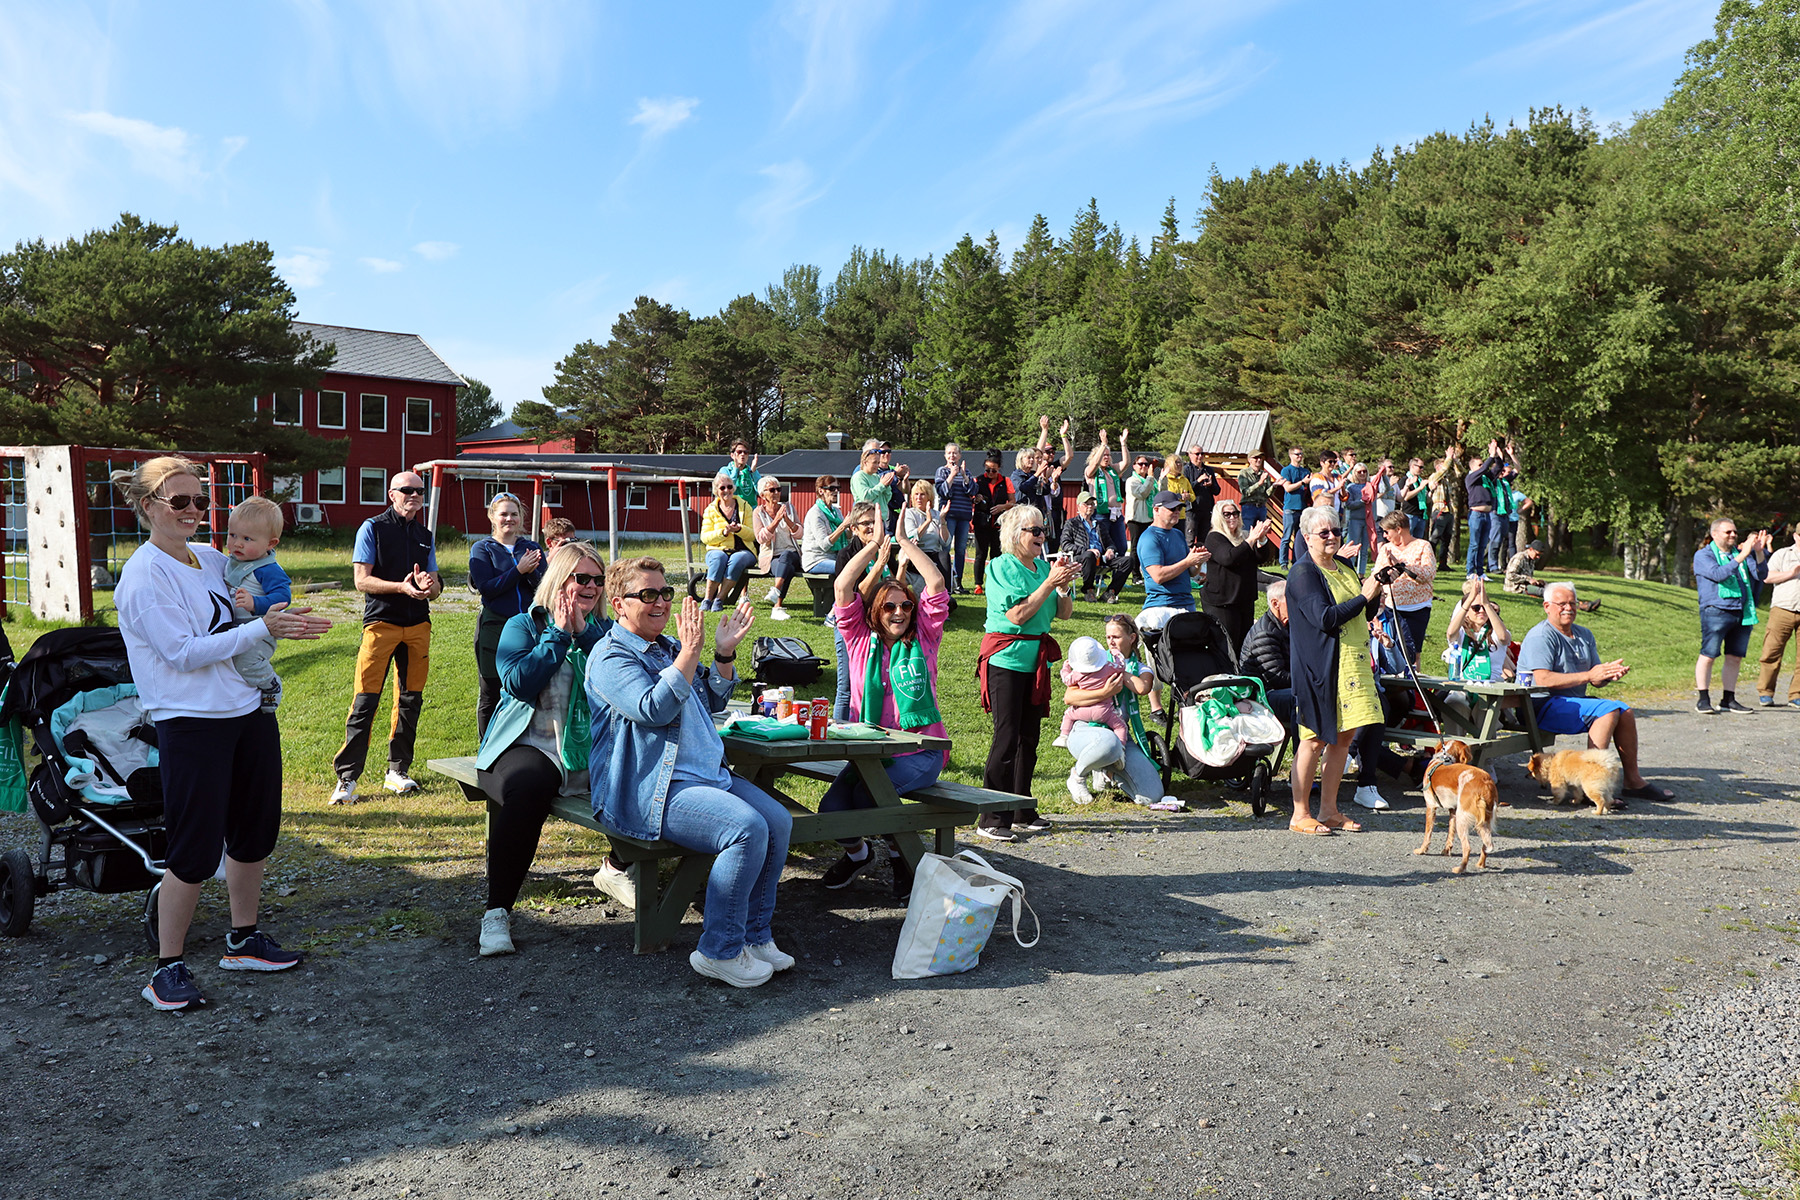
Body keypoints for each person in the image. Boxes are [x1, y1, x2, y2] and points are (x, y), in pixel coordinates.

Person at [113, 457, 331, 1010]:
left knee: (254, 830)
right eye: (178, 501)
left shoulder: (210, 558)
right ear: (147, 508)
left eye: (199, 501)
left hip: (248, 711)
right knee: (194, 847)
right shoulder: (144, 576)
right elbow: (181, 654)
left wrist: (280, 619)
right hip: (191, 721)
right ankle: (167, 966)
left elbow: (260, 587)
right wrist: (261, 627)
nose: (193, 511)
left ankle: (242, 938)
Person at [587, 560, 792, 987]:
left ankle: (754, 937)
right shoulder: (609, 656)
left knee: (779, 821)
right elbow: (652, 709)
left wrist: (721, 654)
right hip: (652, 788)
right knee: (746, 828)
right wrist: (688, 654)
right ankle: (720, 950)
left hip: (706, 776)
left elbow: (714, 700)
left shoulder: (667, 646)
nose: (661, 601)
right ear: (618, 603)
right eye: (647, 595)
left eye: (665, 592)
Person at [474, 542, 617, 956]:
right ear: (559, 581)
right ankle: (496, 912)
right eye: (580, 578)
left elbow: (623, 673)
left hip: (591, 748)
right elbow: (517, 682)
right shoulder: (524, 624)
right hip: (529, 741)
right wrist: (557, 635)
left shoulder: (606, 632)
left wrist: (585, 633)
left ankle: (620, 866)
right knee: (527, 787)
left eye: (597, 579)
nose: (590, 586)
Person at [817, 518, 952, 903]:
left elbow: (937, 584)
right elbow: (843, 586)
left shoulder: (925, 635)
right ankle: (859, 855)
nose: (899, 612)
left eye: (906, 605)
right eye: (889, 606)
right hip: (870, 751)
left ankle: (901, 859)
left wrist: (907, 544)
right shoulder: (859, 639)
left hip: (921, 750)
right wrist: (874, 545)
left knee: (870, 799)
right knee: (831, 810)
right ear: (875, 610)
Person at [331, 470, 442, 805]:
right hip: (381, 624)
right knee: (366, 700)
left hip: (418, 626)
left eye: (420, 491)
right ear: (391, 495)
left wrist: (427, 589)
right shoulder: (373, 528)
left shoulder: (425, 534)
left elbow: (435, 585)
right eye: (407, 490)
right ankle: (347, 779)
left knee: (411, 701)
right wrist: (400, 587)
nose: (414, 496)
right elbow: (361, 580)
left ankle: (397, 771)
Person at [1284, 507, 1392, 836]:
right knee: (1315, 739)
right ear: (1306, 538)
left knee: (1344, 738)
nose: (1332, 536)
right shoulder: (1303, 573)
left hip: (1353, 663)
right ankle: (1300, 813)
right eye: (1324, 533)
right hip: (1321, 666)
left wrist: (1375, 588)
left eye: (1335, 530)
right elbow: (1326, 618)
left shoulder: (1343, 566)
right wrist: (1364, 596)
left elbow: (1365, 609)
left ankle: (1329, 810)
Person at [976, 504, 1079, 841]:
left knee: (1029, 739)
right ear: (1015, 535)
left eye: (1043, 529)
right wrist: (1050, 582)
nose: (1041, 535)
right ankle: (991, 816)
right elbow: (1018, 615)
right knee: (1006, 738)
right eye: (1034, 530)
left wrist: (1062, 586)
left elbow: (1063, 614)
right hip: (1006, 660)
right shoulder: (1000, 566)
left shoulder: (1040, 569)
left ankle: (1021, 809)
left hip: (1035, 660)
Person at [1516, 582, 1673, 801]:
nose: (1568, 608)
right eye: (1561, 604)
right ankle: (1592, 781)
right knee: (1607, 711)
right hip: (1539, 704)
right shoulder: (1541, 636)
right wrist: (1590, 675)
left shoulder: (1584, 635)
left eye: (1572, 603)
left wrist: (1607, 675)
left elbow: (1595, 679)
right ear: (1547, 606)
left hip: (1572, 701)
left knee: (1624, 711)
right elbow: (1543, 679)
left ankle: (1633, 781)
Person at [1061, 614, 1180, 809]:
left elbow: (1142, 688)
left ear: (1132, 638)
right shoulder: (1095, 662)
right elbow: (1070, 697)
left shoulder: (1139, 668)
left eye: (1115, 637)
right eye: (1108, 637)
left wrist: (1118, 671)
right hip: (1087, 728)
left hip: (1120, 733)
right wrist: (1105, 692)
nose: (1110, 641)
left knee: (1152, 795)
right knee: (1109, 742)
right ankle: (1078, 775)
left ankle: (1108, 770)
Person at [470, 491, 545, 738]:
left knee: (527, 687)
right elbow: (487, 589)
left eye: (514, 514)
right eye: (503, 514)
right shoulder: (482, 548)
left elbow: (545, 587)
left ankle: (521, 743)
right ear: (493, 517)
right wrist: (519, 570)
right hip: (495, 625)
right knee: (491, 690)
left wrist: (531, 573)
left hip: (528, 627)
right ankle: (486, 747)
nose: (509, 519)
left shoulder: (531, 547)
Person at [1692, 518, 1771, 714]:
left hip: (1742, 610)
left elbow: (1761, 575)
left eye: (1735, 532)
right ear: (1715, 534)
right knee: (1709, 655)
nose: (1733, 535)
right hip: (1716, 610)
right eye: (1728, 532)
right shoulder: (1703, 555)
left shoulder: (1741, 555)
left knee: (1735, 657)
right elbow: (1718, 575)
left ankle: (1728, 699)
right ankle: (1703, 699)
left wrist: (1759, 552)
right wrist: (1742, 556)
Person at [223, 495, 292, 712]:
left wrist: (255, 603)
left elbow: (282, 598)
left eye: (247, 539)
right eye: (232, 535)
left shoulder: (267, 569)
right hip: (237, 628)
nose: (237, 543)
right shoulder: (233, 562)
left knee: (246, 664)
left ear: (270, 544)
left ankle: (270, 684)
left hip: (260, 628)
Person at [829, 502, 887, 721]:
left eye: (875, 522)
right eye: (866, 523)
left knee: (872, 682)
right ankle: (839, 737)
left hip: (877, 623)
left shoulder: (883, 551)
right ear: (853, 528)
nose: (872, 527)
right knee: (847, 686)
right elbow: (854, 597)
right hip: (851, 627)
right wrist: (878, 566)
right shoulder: (846, 555)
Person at [1202, 499, 1269, 653]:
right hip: (1223, 602)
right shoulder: (1214, 537)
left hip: (1244, 598)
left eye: (1235, 513)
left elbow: (1260, 558)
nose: (1232, 517)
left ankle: (1242, 674)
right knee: (1228, 645)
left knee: (1244, 644)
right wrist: (1251, 540)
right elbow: (1229, 558)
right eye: (1227, 514)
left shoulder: (1243, 536)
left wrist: (1261, 539)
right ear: (1219, 517)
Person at [1376, 511, 1438, 663]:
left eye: (1387, 531)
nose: (1384, 535)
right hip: (1392, 608)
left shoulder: (1423, 546)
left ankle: (1413, 685)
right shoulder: (1386, 549)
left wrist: (1403, 566)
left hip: (1418, 608)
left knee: (1414, 653)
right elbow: (1377, 575)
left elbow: (1428, 574)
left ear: (1398, 529)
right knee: (1392, 649)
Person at [1137, 491, 1209, 612]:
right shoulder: (1149, 538)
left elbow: (1190, 573)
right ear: (1156, 510)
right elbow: (1158, 576)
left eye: (1179, 508)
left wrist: (1197, 562)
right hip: (1162, 605)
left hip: (1187, 602)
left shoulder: (1178, 534)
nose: (1177, 511)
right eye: (1171, 508)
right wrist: (1187, 562)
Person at [1236, 579, 1294, 729]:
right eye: (1293, 598)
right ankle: (1304, 751)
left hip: (1277, 690)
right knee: (1304, 698)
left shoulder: (1286, 625)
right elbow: (1277, 678)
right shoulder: (1265, 634)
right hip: (1261, 696)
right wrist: (1310, 679)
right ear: (1275, 604)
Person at [1055, 635, 1128, 748]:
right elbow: (1121, 666)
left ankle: (1063, 736)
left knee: (1068, 715)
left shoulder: (1077, 673)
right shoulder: (1108, 667)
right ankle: (1120, 749)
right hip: (1104, 712)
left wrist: (1065, 668)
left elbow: (1067, 680)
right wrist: (1117, 654)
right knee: (1120, 727)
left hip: (1081, 711)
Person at [1060, 490, 1133, 603]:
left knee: (1128, 560)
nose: (1090, 506)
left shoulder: (1099, 524)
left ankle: (1110, 592)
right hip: (1082, 558)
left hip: (1101, 558)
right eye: (1087, 504)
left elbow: (1110, 542)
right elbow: (1065, 544)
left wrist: (1110, 550)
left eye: (1092, 504)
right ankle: (1088, 590)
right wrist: (1087, 550)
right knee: (1089, 555)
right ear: (1079, 506)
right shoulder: (1071, 523)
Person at [1756, 524, 1800, 707]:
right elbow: (1767, 577)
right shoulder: (1782, 554)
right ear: (1796, 536)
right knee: (1771, 652)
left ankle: (1796, 695)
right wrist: (1791, 573)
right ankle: (1765, 692)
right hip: (1783, 609)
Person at [699, 473, 755, 612]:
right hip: (717, 549)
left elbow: (753, 535)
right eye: (722, 487)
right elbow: (705, 537)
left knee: (737, 559)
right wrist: (723, 533)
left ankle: (719, 599)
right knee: (719, 558)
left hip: (744, 550)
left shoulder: (745, 506)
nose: (726, 490)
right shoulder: (710, 510)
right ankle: (707, 600)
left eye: (729, 486)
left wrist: (739, 529)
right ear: (716, 491)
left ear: (733, 488)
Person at [751, 477, 803, 622]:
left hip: (792, 553)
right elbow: (761, 538)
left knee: (787, 556)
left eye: (778, 489)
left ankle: (776, 591)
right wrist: (775, 521)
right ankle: (777, 607)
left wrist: (787, 520)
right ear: (763, 495)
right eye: (772, 490)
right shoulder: (758, 513)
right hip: (771, 556)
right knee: (788, 569)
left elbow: (800, 533)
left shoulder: (789, 508)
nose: (776, 493)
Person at [1464, 438, 1515, 578]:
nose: (1482, 467)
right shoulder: (1471, 478)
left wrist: (1498, 456)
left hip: (1487, 515)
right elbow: (1486, 467)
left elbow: (1498, 468)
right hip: (1476, 514)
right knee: (1474, 544)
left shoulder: (1486, 478)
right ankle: (1470, 572)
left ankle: (1480, 572)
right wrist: (1490, 456)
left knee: (1482, 545)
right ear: (1473, 467)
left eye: (1482, 464)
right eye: (1479, 465)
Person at [934, 442, 978, 592]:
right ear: (945, 455)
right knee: (945, 547)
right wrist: (952, 474)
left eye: (955, 453)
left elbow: (973, 491)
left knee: (960, 549)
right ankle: (946, 581)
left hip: (964, 515)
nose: (952, 456)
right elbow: (942, 491)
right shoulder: (941, 471)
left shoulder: (967, 472)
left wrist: (964, 475)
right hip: (949, 515)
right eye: (949, 453)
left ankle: (958, 582)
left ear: (960, 455)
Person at [900, 477, 954, 593]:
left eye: (922, 494)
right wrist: (927, 521)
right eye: (916, 494)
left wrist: (942, 521)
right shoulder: (910, 513)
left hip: (934, 553)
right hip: (917, 553)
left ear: (929, 496)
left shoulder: (937, 514)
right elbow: (912, 536)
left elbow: (945, 542)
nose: (919, 498)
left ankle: (945, 593)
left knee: (944, 555)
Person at [1083, 429, 1130, 558]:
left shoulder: (1112, 470)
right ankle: (1100, 576)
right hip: (1100, 513)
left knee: (1121, 546)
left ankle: (1118, 574)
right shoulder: (1091, 471)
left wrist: (1123, 444)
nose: (1106, 457)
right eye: (1103, 454)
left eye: (1108, 455)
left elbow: (1126, 463)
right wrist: (1103, 444)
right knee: (1102, 545)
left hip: (1116, 513)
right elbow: (1093, 464)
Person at [971, 451, 1013, 593]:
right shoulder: (978, 480)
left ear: (999, 468)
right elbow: (971, 496)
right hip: (981, 521)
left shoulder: (1006, 481)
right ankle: (978, 584)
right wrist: (976, 499)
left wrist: (1003, 506)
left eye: (993, 470)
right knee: (980, 553)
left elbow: (1013, 502)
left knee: (996, 553)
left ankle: (995, 582)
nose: (990, 473)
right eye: (987, 470)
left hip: (998, 523)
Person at [800, 475, 850, 577]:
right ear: (821, 491)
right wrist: (843, 526)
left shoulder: (836, 511)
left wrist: (851, 527)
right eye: (832, 489)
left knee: (861, 564)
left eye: (838, 488)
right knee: (848, 569)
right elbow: (824, 545)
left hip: (835, 557)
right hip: (816, 560)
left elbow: (848, 537)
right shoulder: (815, 513)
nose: (836, 491)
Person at [1124, 451, 1158, 582]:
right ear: (1134, 466)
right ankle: (1135, 576)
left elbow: (1158, 493)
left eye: (1146, 464)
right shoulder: (1131, 481)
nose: (1143, 466)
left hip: (1148, 518)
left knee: (1148, 547)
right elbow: (1142, 494)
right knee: (1135, 547)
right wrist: (1149, 478)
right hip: (1136, 519)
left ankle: (1147, 574)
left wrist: (1162, 478)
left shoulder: (1152, 480)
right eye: (1140, 464)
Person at [850, 442, 897, 530]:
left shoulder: (876, 477)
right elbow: (865, 497)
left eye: (878, 462)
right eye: (874, 462)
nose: (877, 466)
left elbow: (886, 498)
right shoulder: (859, 476)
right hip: (866, 520)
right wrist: (882, 485)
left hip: (881, 519)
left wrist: (887, 486)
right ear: (865, 462)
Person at [1180, 443, 1221, 545]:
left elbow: (1217, 491)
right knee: (1189, 539)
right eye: (1197, 454)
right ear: (1190, 455)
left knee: (1204, 540)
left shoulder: (1209, 470)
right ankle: (1189, 560)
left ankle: (1202, 560)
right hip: (1192, 510)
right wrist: (1198, 481)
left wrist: (1211, 485)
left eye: (1202, 454)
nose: (1200, 456)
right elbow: (1185, 489)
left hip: (1206, 510)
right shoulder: (1186, 470)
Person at [1276, 446, 1309, 566]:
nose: (1299, 456)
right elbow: (1288, 488)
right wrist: (1302, 482)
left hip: (1303, 508)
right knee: (1287, 536)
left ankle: (1297, 561)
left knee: (1300, 537)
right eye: (1297, 454)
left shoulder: (1305, 471)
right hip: (1290, 508)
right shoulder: (1286, 470)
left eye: (1301, 454)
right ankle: (1283, 563)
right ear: (1291, 456)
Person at [1341, 463, 1373, 574]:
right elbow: (1348, 504)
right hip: (1355, 520)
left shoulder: (1370, 486)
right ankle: (1350, 571)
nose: (1362, 474)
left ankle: (1361, 574)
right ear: (1355, 473)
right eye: (1359, 472)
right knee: (1353, 546)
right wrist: (1361, 502)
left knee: (1364, 549)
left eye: (1364, 471)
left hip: (1368, 520)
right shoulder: (1351, 487)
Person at [1236, 451, 1277, 530]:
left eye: (1260, 458)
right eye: (1255, 458)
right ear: (1249, 460)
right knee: (1246, 533)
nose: (1258, 460)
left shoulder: (1265, 474)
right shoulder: (1244, 473)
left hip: (1262, 507)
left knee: (1261, 533)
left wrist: (1274, 486)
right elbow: (1245, 492)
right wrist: (1259, 483)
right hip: (1248, 507)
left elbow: (1267, 494)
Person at [721, 439, 761, 507]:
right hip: (733, 511)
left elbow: (760, 491)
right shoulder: (725, 471)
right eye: (739, 452)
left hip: (750, 512)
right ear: (732, 455)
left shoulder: (751, 471)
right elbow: (727, 490)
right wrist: (736, 470)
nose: (742, 454)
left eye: (745, 452)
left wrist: (753, 472)